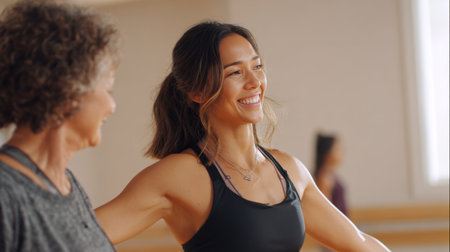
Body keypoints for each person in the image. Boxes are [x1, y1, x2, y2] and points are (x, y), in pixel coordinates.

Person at [95, 21, 390, 252]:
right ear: (198, 92)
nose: (255, 82)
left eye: (257, 67)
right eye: (235, 73)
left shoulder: (290, 170)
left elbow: (360, 244)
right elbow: (75, 235)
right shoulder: (179, 175)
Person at [0, 0, 119, 251]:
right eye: (107, 90)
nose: (112, 106)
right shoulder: (6, 193)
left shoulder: (68, 185)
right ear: (68, 91)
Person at [313, 134, 348, 252]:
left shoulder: (330, 175)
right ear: (327, 152)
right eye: (337, 148)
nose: (342, 151)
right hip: (333, 234)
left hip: (340, 232)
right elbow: (325, 211)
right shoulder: (324, 177)